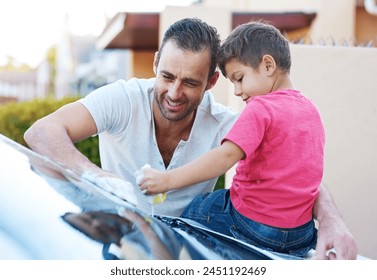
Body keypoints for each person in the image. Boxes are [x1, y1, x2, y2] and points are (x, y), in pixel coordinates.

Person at [24, 17, 357, 259]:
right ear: (155, 64)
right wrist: (96, 176)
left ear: (212, 82)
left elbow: (289, 167)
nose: (174, 92)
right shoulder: (122, 99)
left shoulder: (228, 122)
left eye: (190, 83)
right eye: (166, 76)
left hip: (187, 253)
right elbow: (41, 132)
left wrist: (331, 220)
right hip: (122, 245)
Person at [138, 21, 324, 257]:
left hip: (253, 224)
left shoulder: (261, 108)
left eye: (239, 78)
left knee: (197, 209)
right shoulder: (310, 109)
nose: (237, 90)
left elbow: (225, 157)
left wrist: (167, 180)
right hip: (301, 234)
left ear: (268, 65)